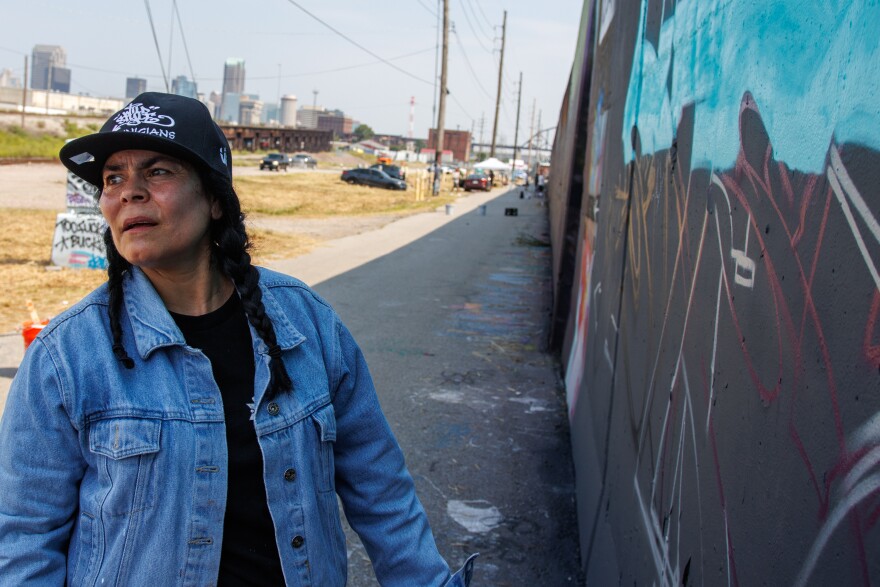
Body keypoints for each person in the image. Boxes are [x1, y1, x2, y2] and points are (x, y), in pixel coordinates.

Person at [0, 93, 476, 586]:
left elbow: (381, 490)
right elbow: (22, 541)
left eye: (157, 171)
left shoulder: (307, 324)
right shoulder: (66, 357)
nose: (128, 193)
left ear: (213, 199)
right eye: (112, 178)